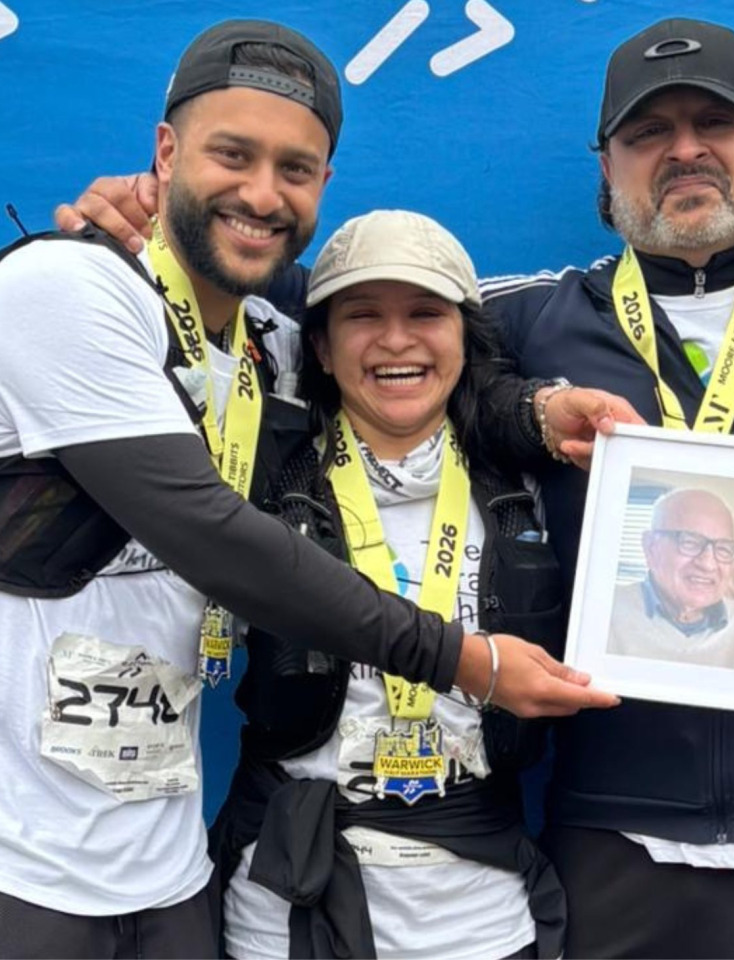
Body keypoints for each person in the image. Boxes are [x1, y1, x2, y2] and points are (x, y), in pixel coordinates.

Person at [55, 17, 734, 958]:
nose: (684, 151)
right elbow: (318, 305)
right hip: (603, 836)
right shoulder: (533, 310)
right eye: (649, 133)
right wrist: (145, 224)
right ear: (605, 166)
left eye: (714, 124)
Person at [0, 21, 615, 959]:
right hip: (19, 863)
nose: (261, 192)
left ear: (323, 183)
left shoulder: (270, 349)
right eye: (231, 155)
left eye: (295, 167)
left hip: (167, 872)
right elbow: (206, 530)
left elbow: (410, 368)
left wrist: (529, 412)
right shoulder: (65, 286)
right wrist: (468, 661)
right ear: (164, 154)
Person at [212, 209, 568, 960]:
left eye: (426, 314)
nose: (397, 340)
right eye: (363, 315)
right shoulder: (259, 482)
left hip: (479, 911)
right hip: (288, 907)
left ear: (467, 339)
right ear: (321, 345)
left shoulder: (527, 494)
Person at [608, 488, 734, 670]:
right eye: (690, 542)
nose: (708, 564)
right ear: (651, 547)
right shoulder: (605, 610)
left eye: (723, 548)